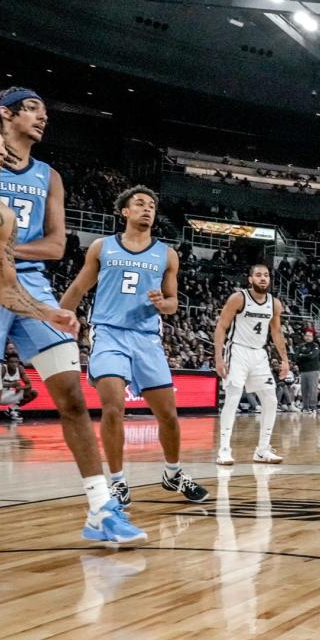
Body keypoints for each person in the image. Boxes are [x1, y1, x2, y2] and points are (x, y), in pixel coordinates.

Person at [0, 96, 146, 547]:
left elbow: (56, 247)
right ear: (4, 113)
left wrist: (0, 255)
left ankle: (101, 508)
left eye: (46, 110)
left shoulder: (46, 178)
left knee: (73, 398)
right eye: (31, 107)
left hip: (23, 284)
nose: (43, 116)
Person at [60, 186, 208, 505]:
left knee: (168, 414)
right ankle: (117, 481)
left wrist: (162, 302)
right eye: (139, 203)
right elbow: (78, 287)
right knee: (114, 408)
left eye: (152, 205)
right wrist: (57, 320)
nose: (147, 209)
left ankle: (173, 472)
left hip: (146, 338)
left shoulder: (167, 254)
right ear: (124, 212)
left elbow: (173, 304)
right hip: (109, 333)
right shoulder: (103, 247)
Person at [213, 263, 289, 465]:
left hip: (259, 354)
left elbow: (276, 332)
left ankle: (262, 449)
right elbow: (221, 326)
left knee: (271, 400)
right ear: (250, 279)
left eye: (266, 275)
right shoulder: (239, 298)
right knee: (233, 397)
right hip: (237, 350)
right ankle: (224, 449)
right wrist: (219, 357)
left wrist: (285, 360)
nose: (263, 278)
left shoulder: (274, 304)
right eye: (258, 275)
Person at [0, 348, 38, 423]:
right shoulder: (3, 369)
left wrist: (20, 387)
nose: (14, 364)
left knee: (33, 393)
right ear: (7, 362)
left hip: (9, 395)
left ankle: (12, 410)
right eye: (11, 362)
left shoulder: (20, 369)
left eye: (16, 362)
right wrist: (11, 384)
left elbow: (29, 385)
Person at [294, 328, 320, 413]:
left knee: (312, 389)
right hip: (303, 370)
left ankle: (313, 407)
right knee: (304, 389)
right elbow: (296, 357)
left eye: (310, 336)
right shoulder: (300, 346)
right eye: (306, 335)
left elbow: (312, 356)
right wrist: (305, 355)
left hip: (313, 370)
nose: (308, 337)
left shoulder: (315, 345)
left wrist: (302, 355)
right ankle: (305, 407)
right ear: (304, 336)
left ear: (313, 337)